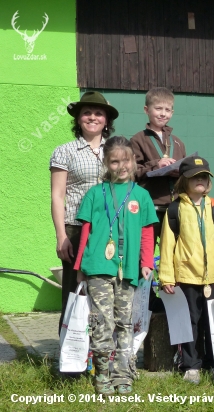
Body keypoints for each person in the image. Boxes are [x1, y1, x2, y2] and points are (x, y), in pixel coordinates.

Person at [73, 136, 158, 394]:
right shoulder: (95, 193)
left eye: (126, 160)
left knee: (124, 320)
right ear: (106, 163)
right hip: (98, 266)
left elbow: (147, 232)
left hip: (128, 268)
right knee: (103, 321)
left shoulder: (141, 195)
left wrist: (146, 261)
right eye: (114, 161)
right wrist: (79, 268)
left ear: (133, 161)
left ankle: (123, 373)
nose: (121, 166)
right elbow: (85, 232)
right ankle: (102, 373)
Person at [158, 156, 214, 384]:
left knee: (213, 323)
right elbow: (168, 246)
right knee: (190, 323)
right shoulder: (174, 209)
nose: (200, 180)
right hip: (187, 277)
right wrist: (167, 277)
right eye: (194, 177)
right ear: (184, 180)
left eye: (204, 177)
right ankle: (191, 365)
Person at [50, 91, 118, 335]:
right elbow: (58, 196)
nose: (92, 117)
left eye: (98, 113)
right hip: (77, 230)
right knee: (74, 292)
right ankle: (70, 358)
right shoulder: (65, 151)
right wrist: (61, 236)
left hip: (111, 230)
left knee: (109, 292)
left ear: (106, 121)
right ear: (78, 119)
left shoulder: (117, 151)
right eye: (86, 113)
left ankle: (102, 354)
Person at [130, 87, 187, 241]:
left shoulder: (178, 142)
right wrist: (157, 165)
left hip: (175, 206)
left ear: (172, 113)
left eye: (167, 110)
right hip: (150, 206)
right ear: (146, 110)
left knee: (173, 252)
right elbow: (133, 172)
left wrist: (181, 172)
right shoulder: (138, 139)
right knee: (144, 252)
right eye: (158, 108)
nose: (163, 113)